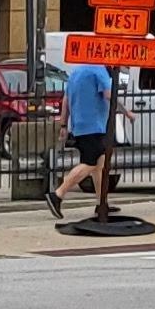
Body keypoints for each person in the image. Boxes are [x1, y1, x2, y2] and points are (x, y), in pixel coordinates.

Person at [52, 55, 115, 222]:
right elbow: (109, 95)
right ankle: (58, 194)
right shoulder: (99, 71)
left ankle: (102, 203)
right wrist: (126, 112)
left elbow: (66, 99)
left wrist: (64, 124)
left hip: (80, 125)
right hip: (94, 125)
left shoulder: (76, 72)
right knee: (90, 163)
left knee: (100, 164)